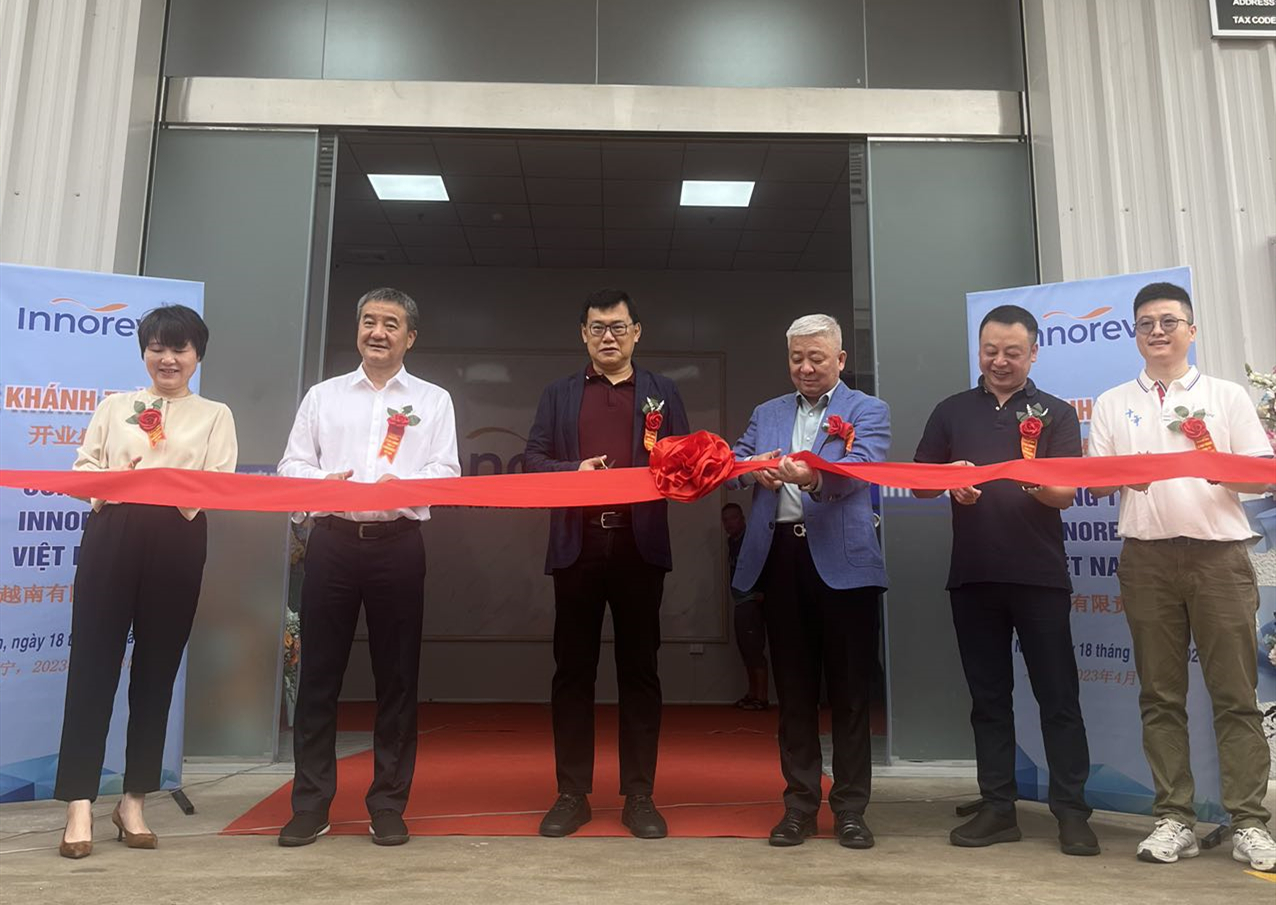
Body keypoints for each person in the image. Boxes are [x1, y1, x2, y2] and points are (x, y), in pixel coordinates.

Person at [1088, 282, 1276, 871]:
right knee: (1160, 695)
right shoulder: (1113, 402)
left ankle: (1249, 821)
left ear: (1191, 330)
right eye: (1146, 323)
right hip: (1146, 559)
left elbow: (1260, 478)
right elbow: (1096, 479)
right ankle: (1175, 818)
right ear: (1135, 335)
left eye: (1169, 321)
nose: (1157, 332)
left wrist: (1211, 462)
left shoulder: (1225, 396)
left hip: (1219, 558)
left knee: (1235, 695)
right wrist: (1127, 475)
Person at [912, 304, 1098, 856]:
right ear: (979, 350)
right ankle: (998, 808)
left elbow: (1065, 495)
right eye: (990, 350)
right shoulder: (951, 411)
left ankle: (1072, 812)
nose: (999, 361)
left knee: (1058, 697)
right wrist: (949, 480)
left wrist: (1028, 481)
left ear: (1034, 353)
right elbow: (919, 483)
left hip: (1040, 576)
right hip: (974, 576)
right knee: (988, 699)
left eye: (1012, 352)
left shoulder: (1056, 414)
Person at [276, 288, 459, 847]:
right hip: (331, 542)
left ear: (410, 337)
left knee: (397, 678)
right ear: (357, 329)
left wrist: (407, 485)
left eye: (391, 324)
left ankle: (387, 803)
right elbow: (291, 465)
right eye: (369, 321)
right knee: (318, 678)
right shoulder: (323, 396)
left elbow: (447, 471)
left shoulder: (434, 400)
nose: (377, 332)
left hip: (398, 545)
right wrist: (319, 483)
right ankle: (311, 804)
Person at [55, 305, 238, 859]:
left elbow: (220, 479)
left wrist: (168, 487)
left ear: (197, 356)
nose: (168, 359)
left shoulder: (215, 414)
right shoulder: (114, 407)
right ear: (144, 353)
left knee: (157, 672)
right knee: (92, 666)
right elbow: (84, 469)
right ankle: (79, 803)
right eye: (158, 347)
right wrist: (121, 482)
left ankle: (133, 801)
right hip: (113, 531)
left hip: (178, 538)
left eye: (180, 349)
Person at [524, 288, 689, 839]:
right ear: (583, 335)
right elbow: (532, 462)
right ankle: (571, 793)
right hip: (578, 546)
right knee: (573, 671)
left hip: (640, 548)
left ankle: (639, 795)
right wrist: (574, 472)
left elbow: (685, 462)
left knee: (640, 671)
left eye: (618, 327)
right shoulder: (558, 393)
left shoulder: (664, 392)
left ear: (637, 332)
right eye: (597, 327)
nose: (608, 337)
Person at [729, 313, 888, 849]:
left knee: (850, 694)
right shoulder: (767, 412)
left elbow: (864, 467)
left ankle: (850, 809)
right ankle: (798, 806)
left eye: (816, 358)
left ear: (840, 359)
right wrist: (750, 468)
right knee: (794, 691)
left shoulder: (867, 409)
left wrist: (813, 475)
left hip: (845, 564)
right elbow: (733, 462)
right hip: (781, 559)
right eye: (797, 358)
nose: (806, 367)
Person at [721, 502, 768, 710]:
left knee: (754, 650)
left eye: (733, 518)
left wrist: (762, 590)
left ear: (742, 518)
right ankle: (752, 693)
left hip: (751, 600)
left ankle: (762, 697)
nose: (729, 523)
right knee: (746, 650)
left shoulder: (751, 540)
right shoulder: (732, 542)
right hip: (739, 600)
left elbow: (763, 562)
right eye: (725, 520)